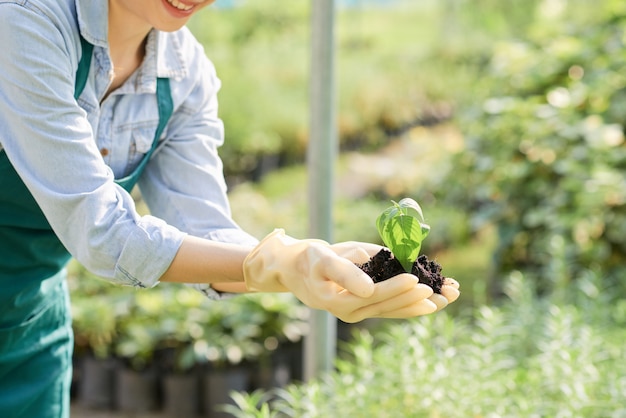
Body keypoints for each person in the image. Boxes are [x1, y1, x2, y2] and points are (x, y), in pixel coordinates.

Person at [0, 0, 460, 417]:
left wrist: (298, 264)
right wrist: (270, 263)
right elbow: (101, 231)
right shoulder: (26, 21)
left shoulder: (184, 73)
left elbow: (208, 229)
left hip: (28, 326)